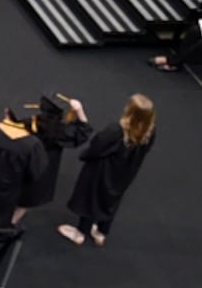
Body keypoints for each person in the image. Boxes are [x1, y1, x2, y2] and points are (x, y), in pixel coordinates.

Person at [59, 94, 158, 245]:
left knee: (92, 197)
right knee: (112, 199)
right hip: (125, 173)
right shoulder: (149, 132)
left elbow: (97, 146)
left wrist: (85, 156)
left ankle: (80, 233)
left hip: (102, 171)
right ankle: (101, 232)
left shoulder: (117, 130)